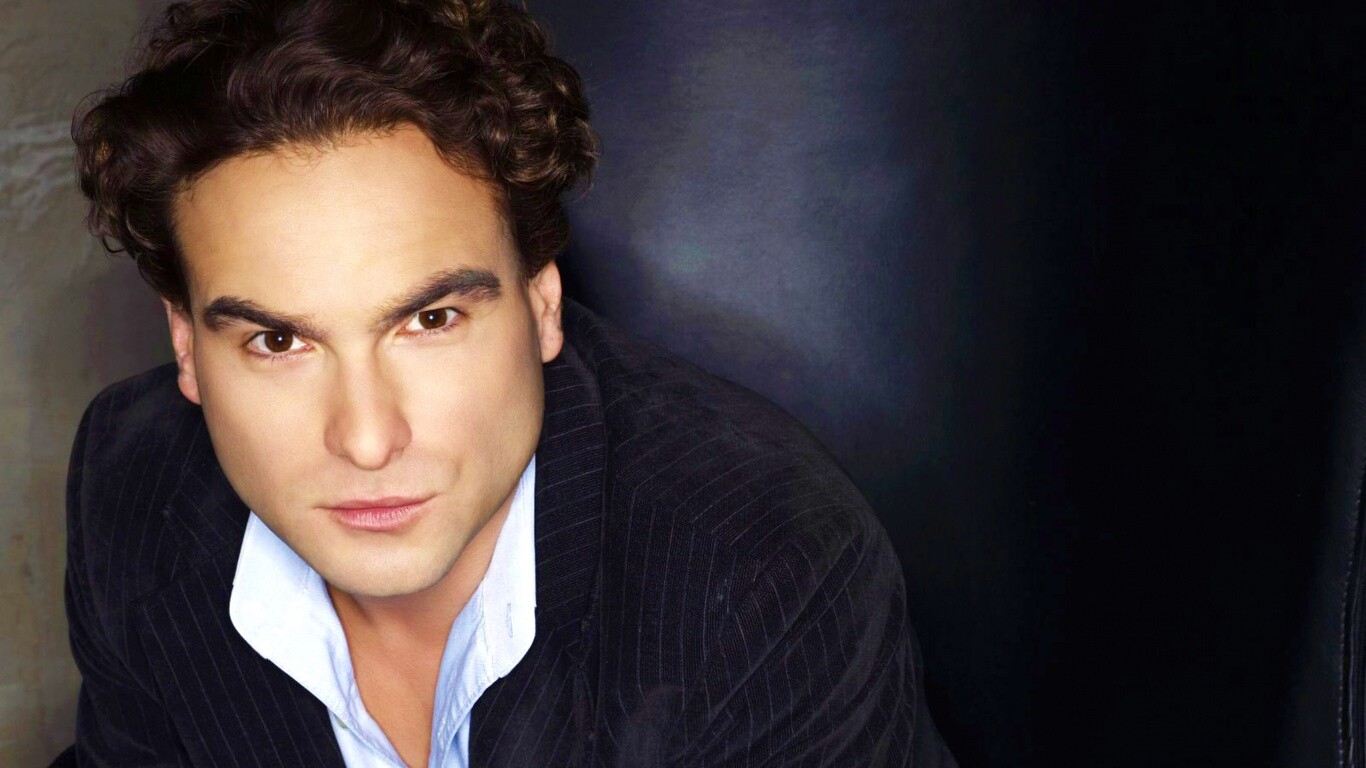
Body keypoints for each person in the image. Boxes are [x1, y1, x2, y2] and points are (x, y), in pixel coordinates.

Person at [59, 1, 956, 765]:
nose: (366, 439)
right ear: (187, 346)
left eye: (431, 320)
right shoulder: (132, 482)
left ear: (542, 302)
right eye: (279, 340)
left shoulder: (760, 568)